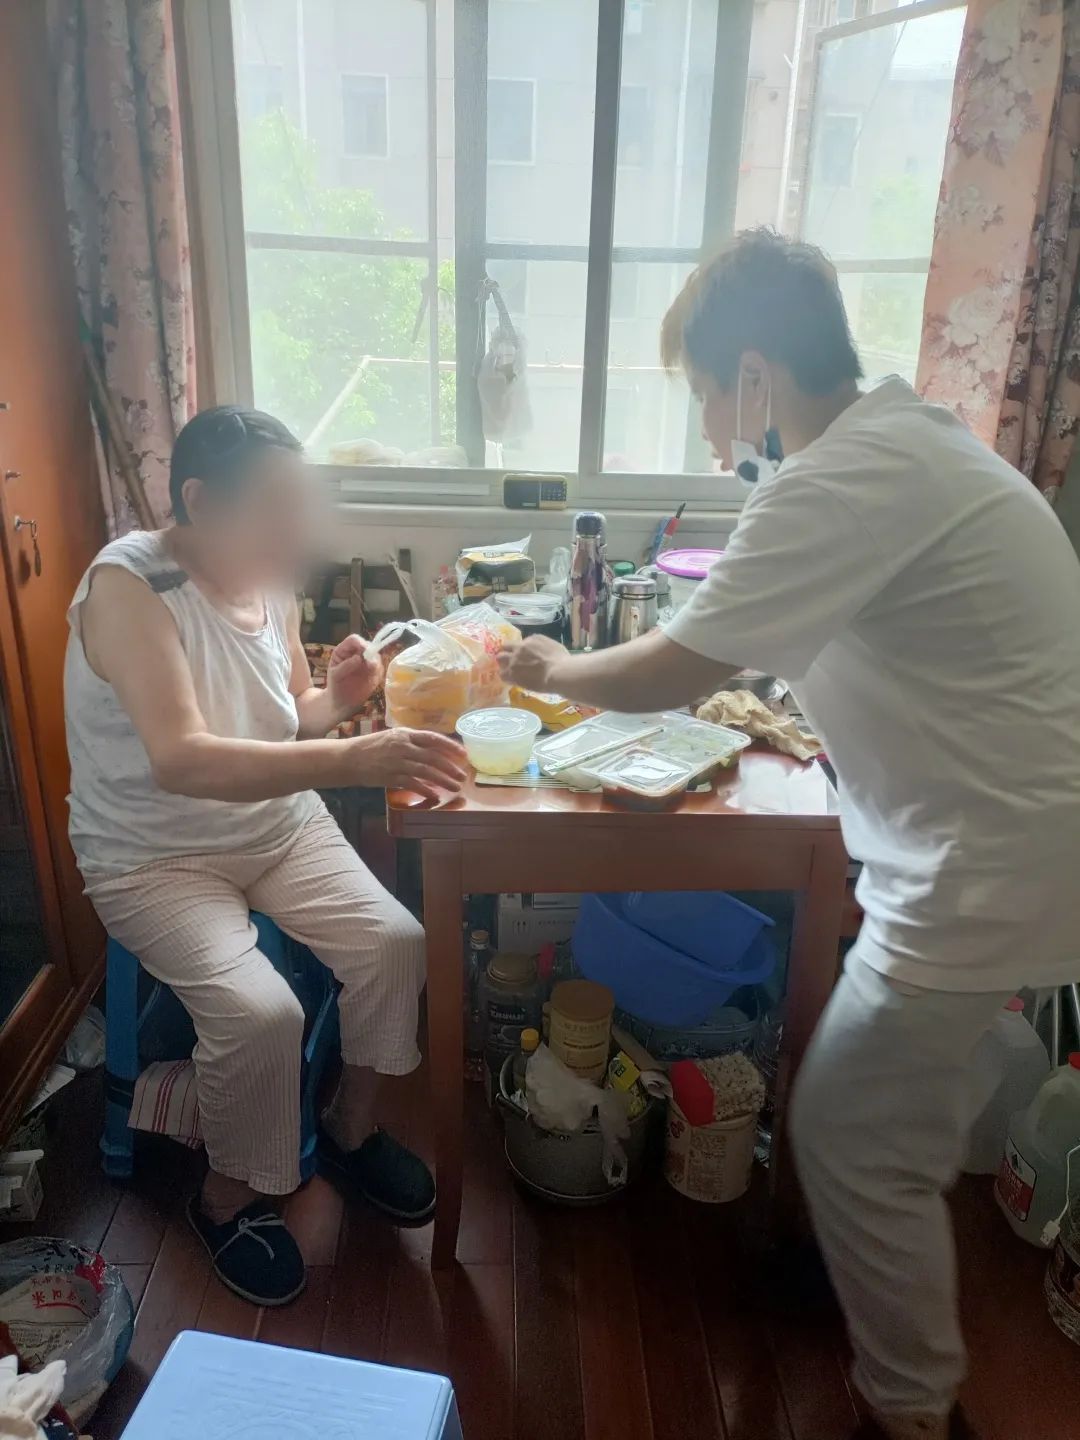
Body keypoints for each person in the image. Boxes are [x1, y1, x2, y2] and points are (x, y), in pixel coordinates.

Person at [499, 230, 1080, 1440]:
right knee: (890, 1124)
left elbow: (674, 667)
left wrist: (552, 667)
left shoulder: (841, 479)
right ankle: (877, 1285)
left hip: (989, 864)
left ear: (756, 377)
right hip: (995, 848)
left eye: (709, 398)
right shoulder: (906, 446)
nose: (714, 435)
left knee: (848, 1129)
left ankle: (911, 1413)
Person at [65, 406, 466, 1308]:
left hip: (272, 827)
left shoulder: (266, 579)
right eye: (276, 509)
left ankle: (350, 1131)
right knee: (261, 1016)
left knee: (396, 944)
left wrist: (339, 697)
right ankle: (226, 1198)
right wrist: (352, 758)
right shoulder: (130, 586)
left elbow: (289, 717)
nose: (296, 534)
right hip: (151, 857)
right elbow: (183, 758)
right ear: (201, 501)